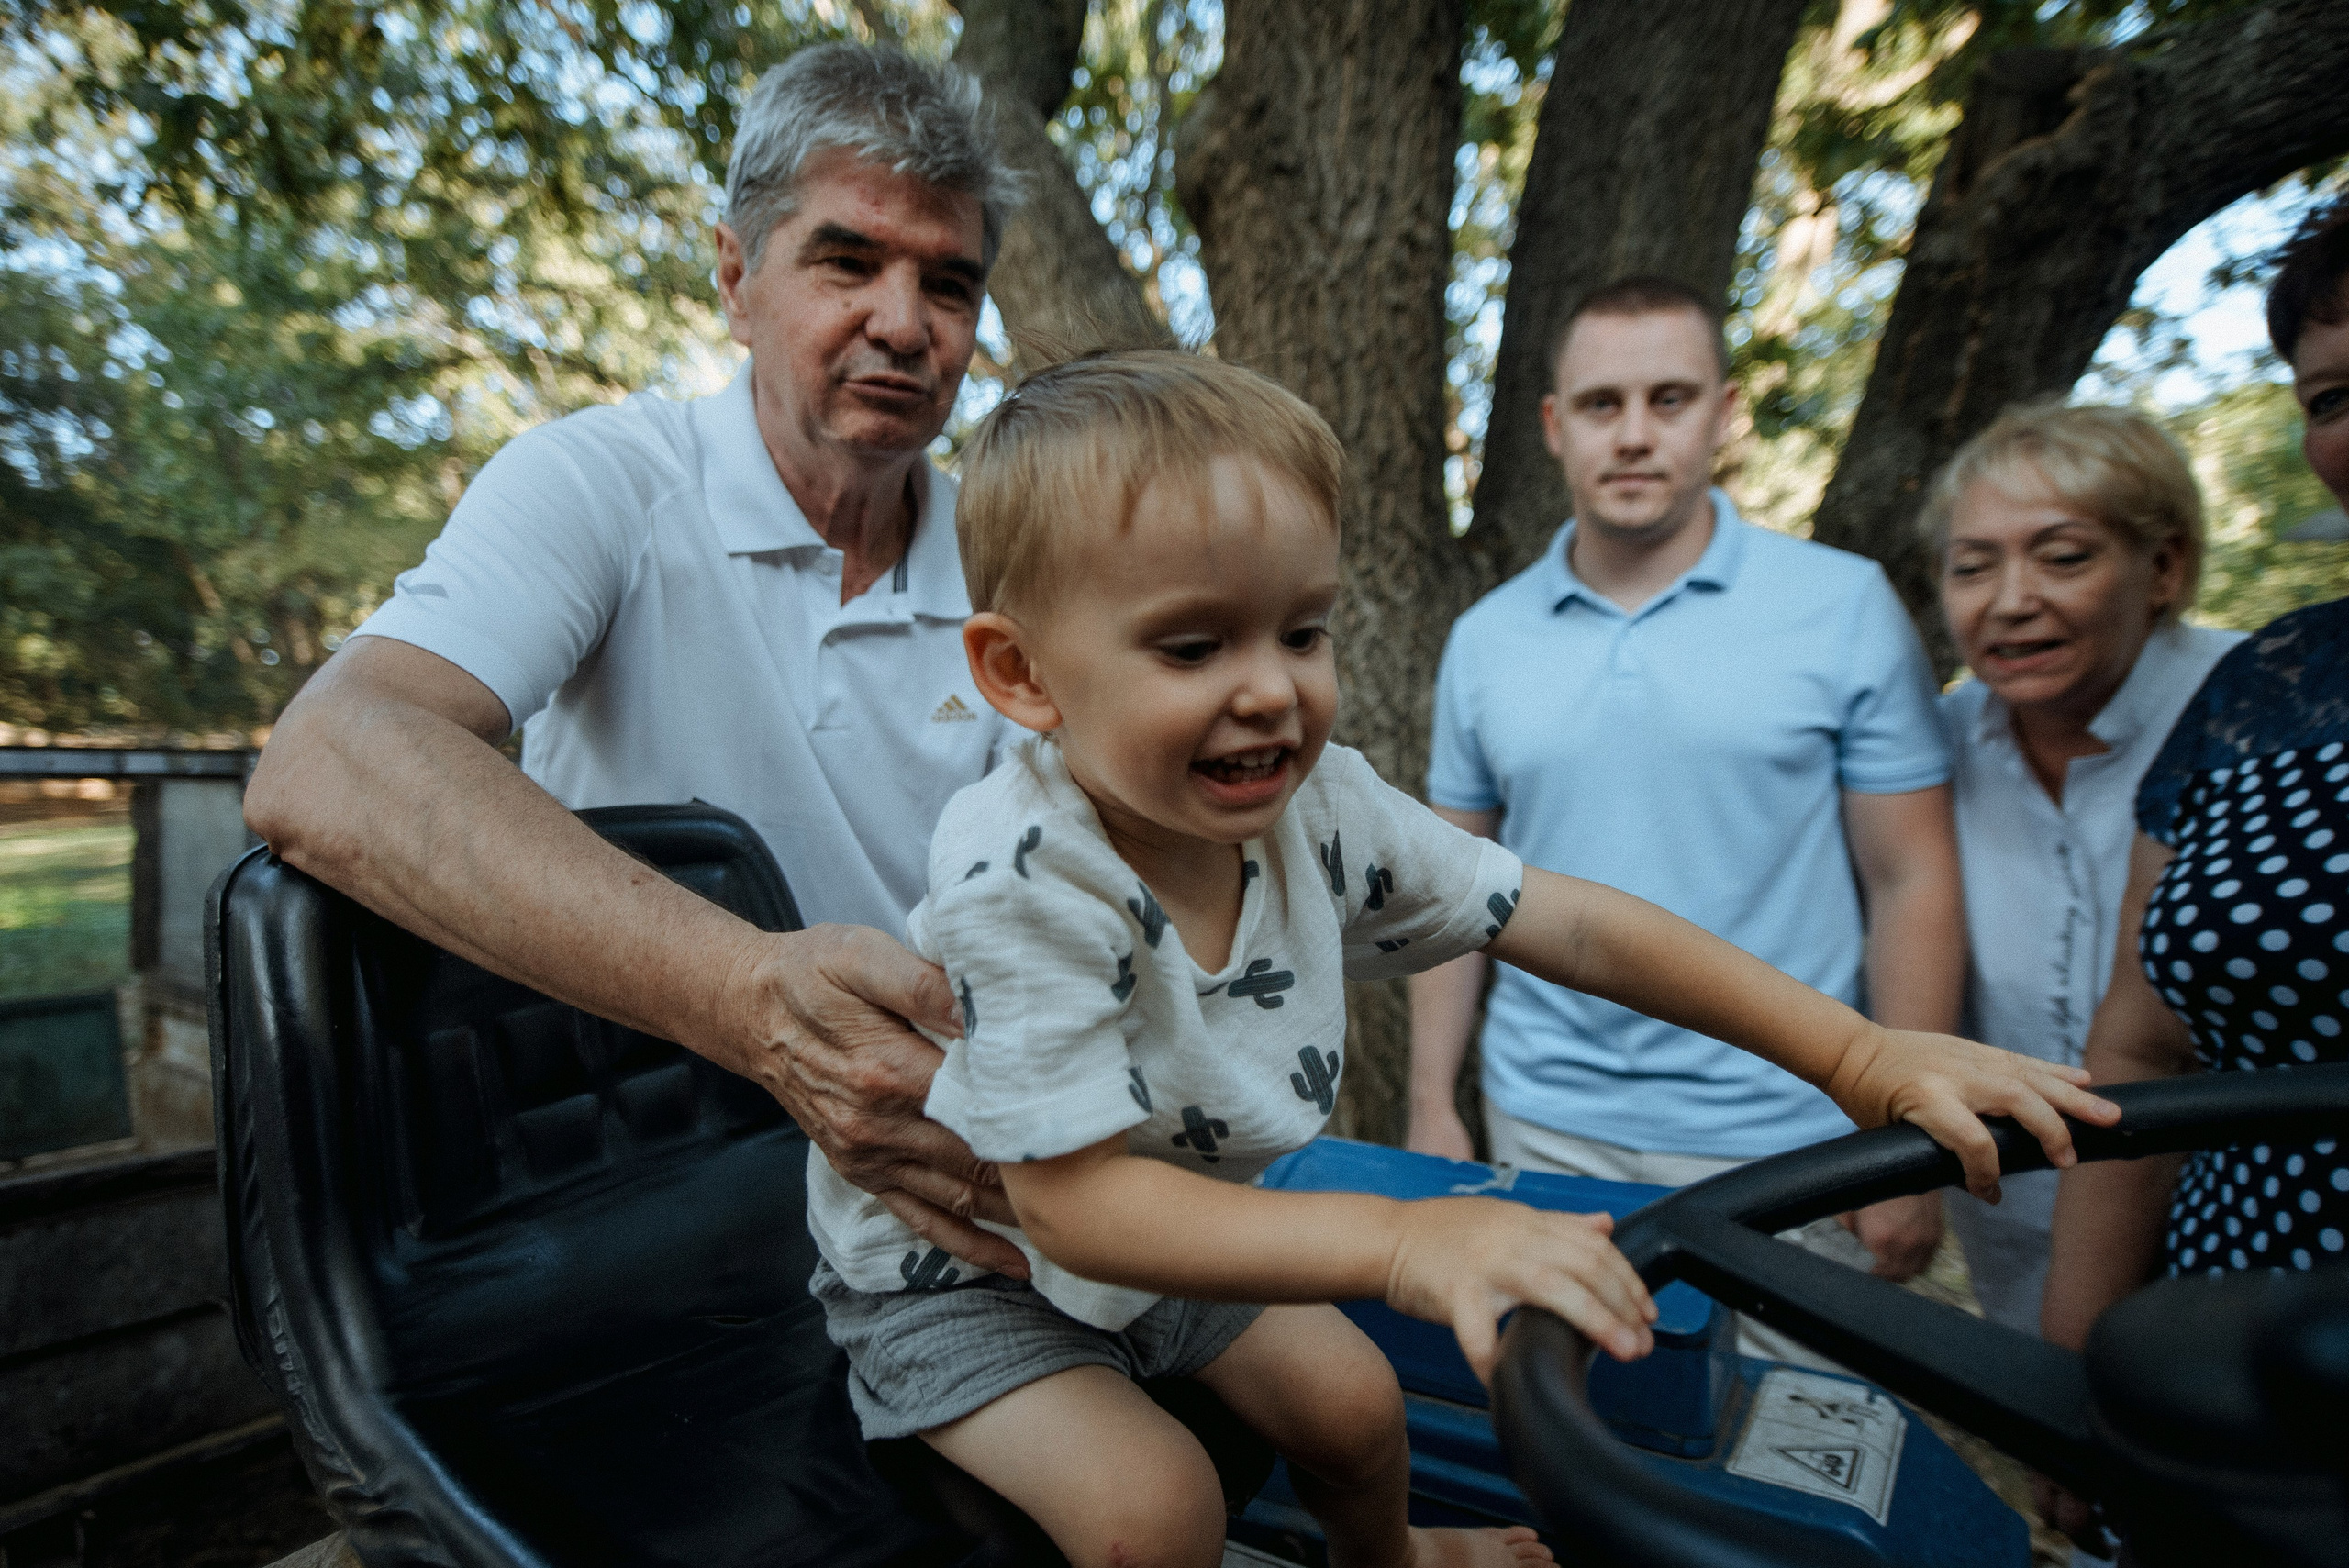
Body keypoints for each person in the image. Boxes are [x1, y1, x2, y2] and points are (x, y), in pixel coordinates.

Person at [818, 349, 2116, 1568]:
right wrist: (1403, 1243)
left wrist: (1859, 1052)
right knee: (1155, 1512)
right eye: (1195, 646)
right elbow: (1070, 1205)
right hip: (966, 1264)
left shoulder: (1320, 803)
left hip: (1172, 1226)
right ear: (1023, 673)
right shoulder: (1025, 870)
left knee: (1355, 1403)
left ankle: (1397, 1558)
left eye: (1303, 631)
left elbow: (1574, 923)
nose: (1272, 690)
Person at [241, 44, 1037, 1280]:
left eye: (950, 282)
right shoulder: (605, 485)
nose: (903, 321)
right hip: (615, 1184)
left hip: (928, 1188)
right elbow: (326, 758)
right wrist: (762, 1005)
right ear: (733, 272)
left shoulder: (1015, 571)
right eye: (846, 260)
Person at [1407, 276, 1962, 1362]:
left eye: (1669, 398)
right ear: (1556, 426)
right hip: (1547, 1127)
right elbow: (1447, 884)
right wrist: (1434, 1099)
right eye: (1603, 405)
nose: (1635, 434)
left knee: (1790, 1488)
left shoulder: (1841, 606)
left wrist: (1905, 1136)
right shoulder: (1485, 638)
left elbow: (1913, 880)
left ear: (1724, 414)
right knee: (1581, 1452)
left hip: (1792, 1134)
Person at [2039, 195, 2349, 1558]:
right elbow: (2144, 1046)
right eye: (2335, 396)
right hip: (2222, 1399)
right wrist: (2072, 1373)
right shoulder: (2265, 687)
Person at [1932, 401, 2243, 1337]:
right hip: (2013, 1210)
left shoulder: (2251, 715)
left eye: (2062, 556)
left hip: (2229, 1222)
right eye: (1971, 565)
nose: (2010, 598)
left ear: (2165, 567)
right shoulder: (1934, 743)